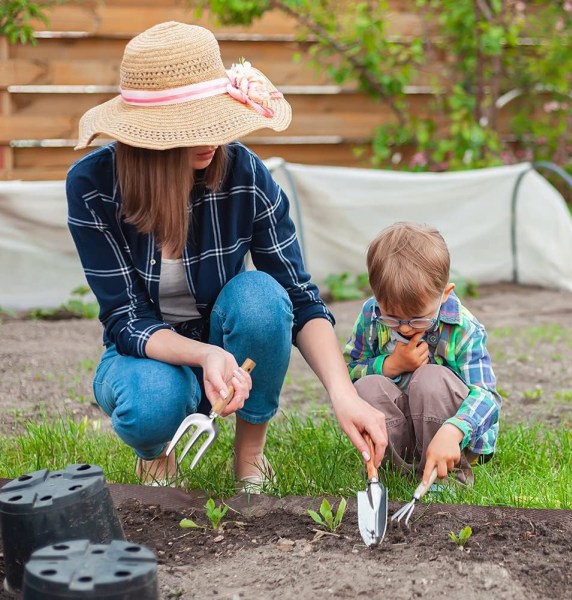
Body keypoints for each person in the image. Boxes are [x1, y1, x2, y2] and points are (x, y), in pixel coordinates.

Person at [66, 21, 386, 488]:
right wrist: (204, 354)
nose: (212, 137)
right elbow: (125, 319)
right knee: (150, 403)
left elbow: (300, 299)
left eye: (215, 117)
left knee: (262, 296)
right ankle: (157, 454)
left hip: (227, 350)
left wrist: (343, 395)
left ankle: (250, 456)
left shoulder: (244, 174)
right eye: (194, 123)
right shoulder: (93, 186)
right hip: (146, 356)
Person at [344, 222, 500, 486]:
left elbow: (488, 398)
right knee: (367, 386)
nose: (404, 328)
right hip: (400, 428)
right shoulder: (371, 316)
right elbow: (346, 374)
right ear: (376, 296)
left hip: (451, 434)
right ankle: (392, 472)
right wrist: (388, 365)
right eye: (392, 317)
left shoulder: (462, 328)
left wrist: (454, 429)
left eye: (417, 319)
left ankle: (445, 477)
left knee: (431, 378)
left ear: (444, 294)